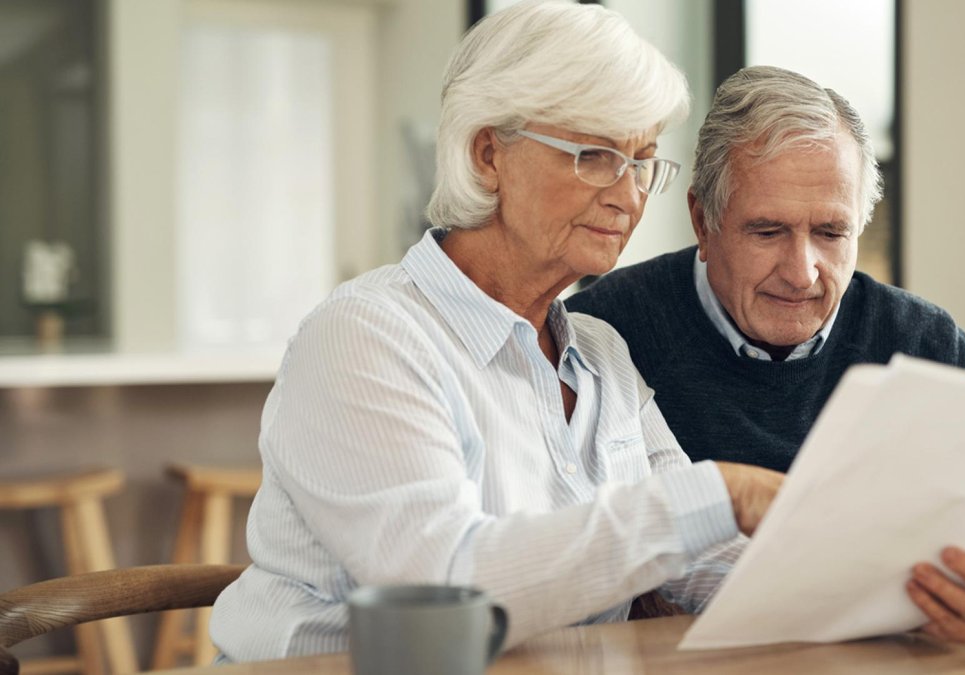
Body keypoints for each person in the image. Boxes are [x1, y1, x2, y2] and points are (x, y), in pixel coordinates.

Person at [208, 2, 784, 661]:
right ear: (489, 155)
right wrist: (721, 490)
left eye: (643, 160)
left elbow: (705, 559)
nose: (627, 196)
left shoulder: (601, 354)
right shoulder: (365, 337)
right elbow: (445, 591)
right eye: (595, 155)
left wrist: (897, 576)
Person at [567, 65, 965, 642]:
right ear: (703, 220)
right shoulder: (605, 332)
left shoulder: (918, 339)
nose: (802, 272)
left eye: (831, 234)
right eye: (767, 231)